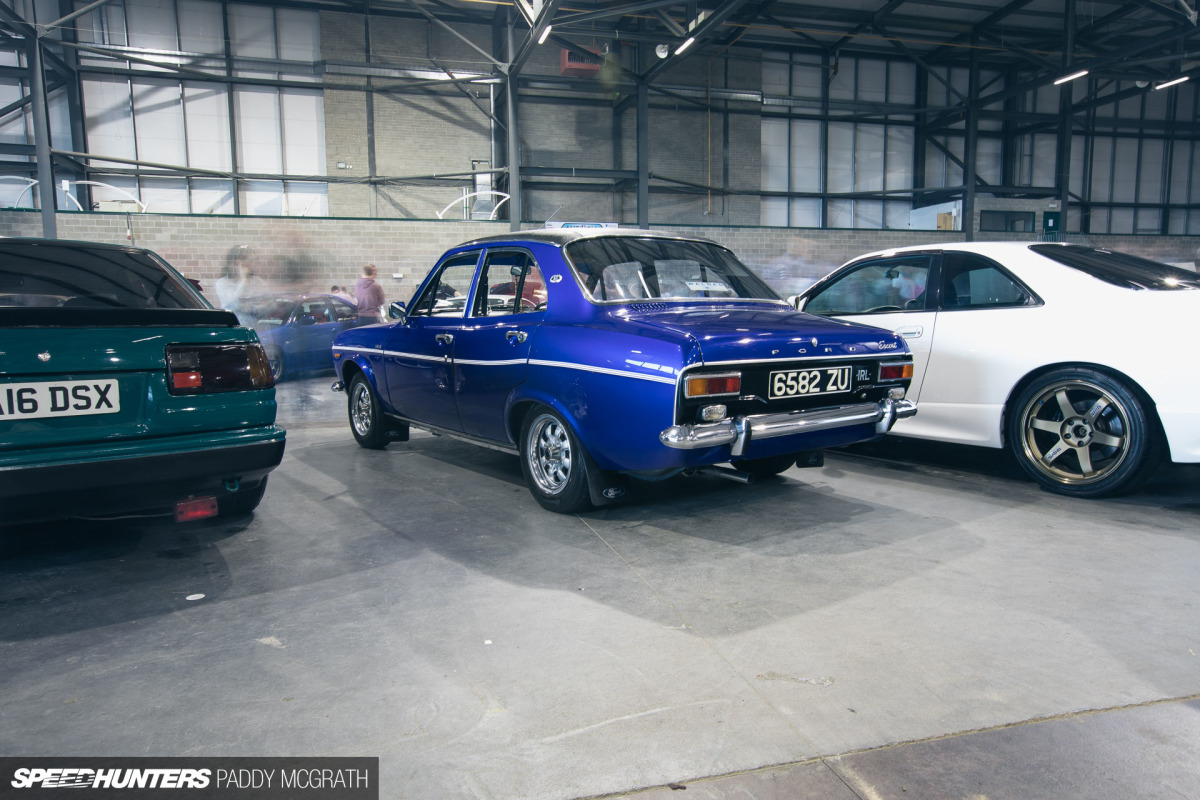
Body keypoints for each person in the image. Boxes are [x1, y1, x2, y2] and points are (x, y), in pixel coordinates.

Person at [214, 245, 266, 324]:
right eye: (250, 260)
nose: (252, 264)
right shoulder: (222, 283)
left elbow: (271, 304)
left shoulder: (257, 281)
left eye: (254, 261)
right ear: (237, 262)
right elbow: (233, 304)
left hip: (257, 328)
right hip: (236, 327)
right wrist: (243, 280)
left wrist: (256, 308)